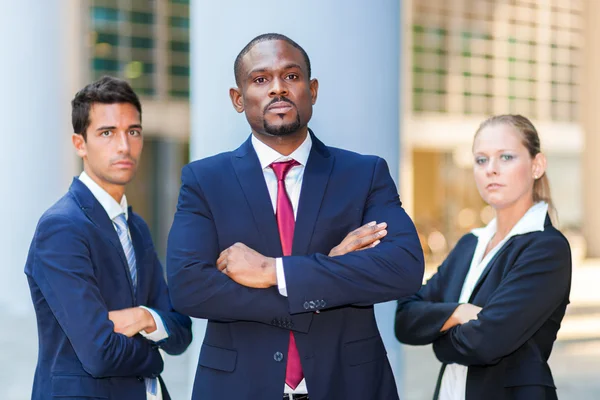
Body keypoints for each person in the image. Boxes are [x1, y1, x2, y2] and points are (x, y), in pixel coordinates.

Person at [167, 33, 424, 400]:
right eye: (260, 80)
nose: (277, 89)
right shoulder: (205, 180)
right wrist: (323, 276)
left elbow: (403, 267)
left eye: (291, 76)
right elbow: (188, 287)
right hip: (238, 389)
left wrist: (274, 272)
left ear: (312, 89)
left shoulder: (363, 174)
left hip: (349, 387)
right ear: (238, 99)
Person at [24, 76, 193, 400]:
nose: (124, 146)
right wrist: (152, 357)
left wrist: (143, 317)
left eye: (133, 131)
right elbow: (98, 352)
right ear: (80, 144)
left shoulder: (136, 227)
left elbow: (181, 330)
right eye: (107, 133)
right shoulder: (61, 228)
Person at [395, 114, 572, 400]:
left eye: (506, 157)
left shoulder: (546, 248)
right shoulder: (470, 244)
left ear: (537, 165)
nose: (491, 170)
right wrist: (459, 312)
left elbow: (485, 343)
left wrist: (437, 337)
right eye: (481, 160)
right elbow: (404, 318)